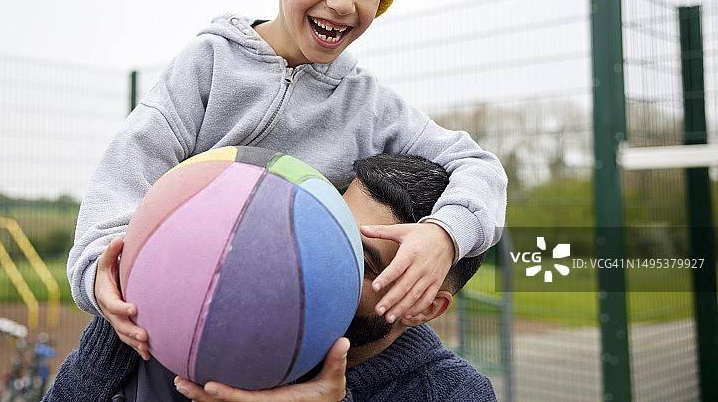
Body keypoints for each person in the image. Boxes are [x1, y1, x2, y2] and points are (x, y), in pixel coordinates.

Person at [68, 0, 506, 373]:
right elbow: (127, 171)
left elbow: (478, 165)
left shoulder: (369, 104)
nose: (342, 2)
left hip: (281, 338)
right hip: (167, 322)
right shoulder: (208, 65)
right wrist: (97, 267)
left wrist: (444, 233)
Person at [44, 153, 496, 402]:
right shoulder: (176, 310)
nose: (325, 264)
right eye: (330, 232)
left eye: (365, 264)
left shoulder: (454, 394)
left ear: (426, 307)